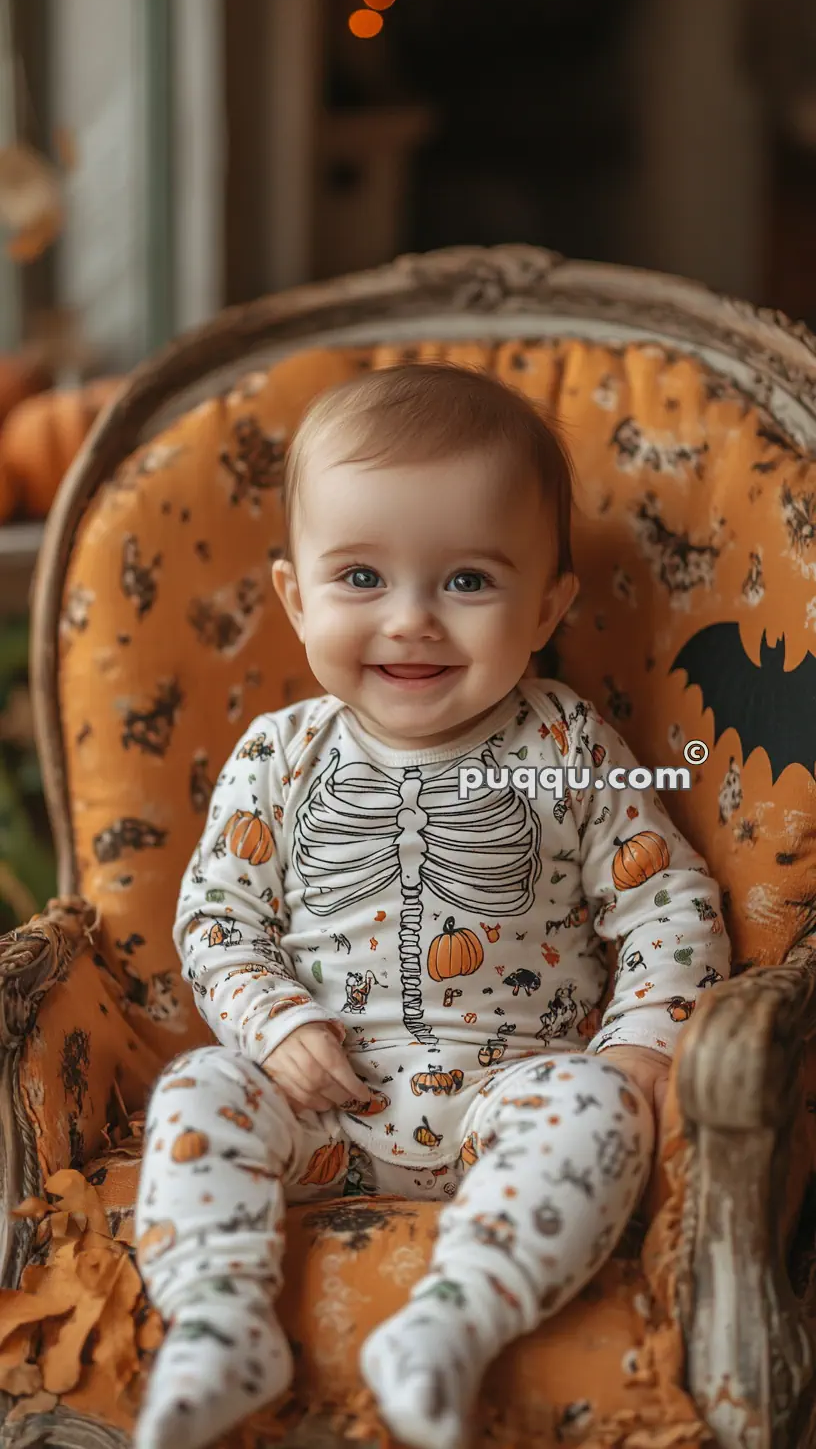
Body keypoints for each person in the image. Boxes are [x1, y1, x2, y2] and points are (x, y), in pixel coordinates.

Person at [133, 363, 730, 1449]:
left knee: (599, 1113)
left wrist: (645, 1040)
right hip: (322, 1109)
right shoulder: (281, 753)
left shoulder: (563, 743)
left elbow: (665, 901)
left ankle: (452, 1322)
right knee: (195, 1093)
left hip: (515, 1098)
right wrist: (276, 1023)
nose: (410, 620)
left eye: (466, 582)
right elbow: (217, 919)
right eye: (360, 576)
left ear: (548, 606)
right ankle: (219, 1323)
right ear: (294, 598)